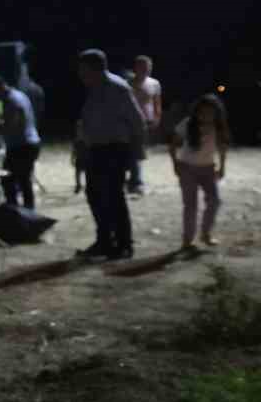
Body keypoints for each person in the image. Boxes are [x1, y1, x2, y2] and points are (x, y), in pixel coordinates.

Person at [74, 48, 146, 261]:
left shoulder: (117, 88)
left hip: (114, 149)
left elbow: (137, 122)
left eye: (83, 69)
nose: (80, 73)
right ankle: (104, 241)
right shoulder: (93, 88)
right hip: (95, 150)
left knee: (114, 197)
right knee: (94, 195)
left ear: (96, 68)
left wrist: (135, 154)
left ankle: (124, 244)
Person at [168, 94, 229, 251]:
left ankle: (206, 233)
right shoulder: (188, 124)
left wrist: (222, 167)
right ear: (197, 111)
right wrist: (175, 164)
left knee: (214, 201)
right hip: (187, 168)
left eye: (211, 112)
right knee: (190, 205)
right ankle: (187, 240)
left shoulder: (218, 126)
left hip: (208, 168)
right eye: (203, 111)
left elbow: (222, 148)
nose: (206, 115)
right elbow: (172, 144)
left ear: (216, 113)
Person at [0, 76, 41, 210]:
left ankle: (18, 211)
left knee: (11, 181)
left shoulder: (12, 101)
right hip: (27, 143)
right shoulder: (18, 95)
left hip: (22, 146)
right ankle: (25, 211)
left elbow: (13, 126)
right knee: (21, 181)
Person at [126, 56, 162, 196]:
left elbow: (157, 102)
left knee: (139, 151)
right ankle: (136, 181)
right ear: (136, 67)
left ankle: (134, 179)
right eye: (143, 66)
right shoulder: (127, 83)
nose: (146, 70)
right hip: (130, 121)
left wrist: (157, 117)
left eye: (148, 67)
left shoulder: (154, 83)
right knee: (135, 151)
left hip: (147, 121)